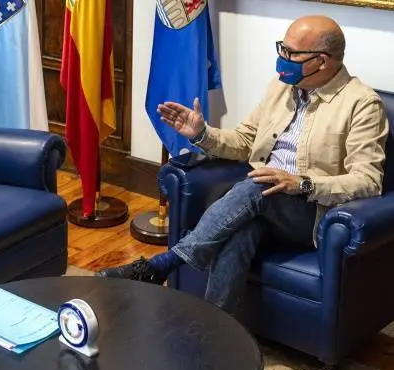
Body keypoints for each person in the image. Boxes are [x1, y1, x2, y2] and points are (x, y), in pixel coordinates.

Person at [97, 16, 388, 313]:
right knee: (242, 230)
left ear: (322, 61)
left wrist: (300, 183)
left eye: (290, 53)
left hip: (311, 213)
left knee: (255, 187)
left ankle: (163, 264)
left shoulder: (361, 104)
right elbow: (245, 140)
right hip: (262, 202)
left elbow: (367, 181)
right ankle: (215, 329)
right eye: (281, 49)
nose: (281, 59)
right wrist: (201, 133)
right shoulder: (281, 88)